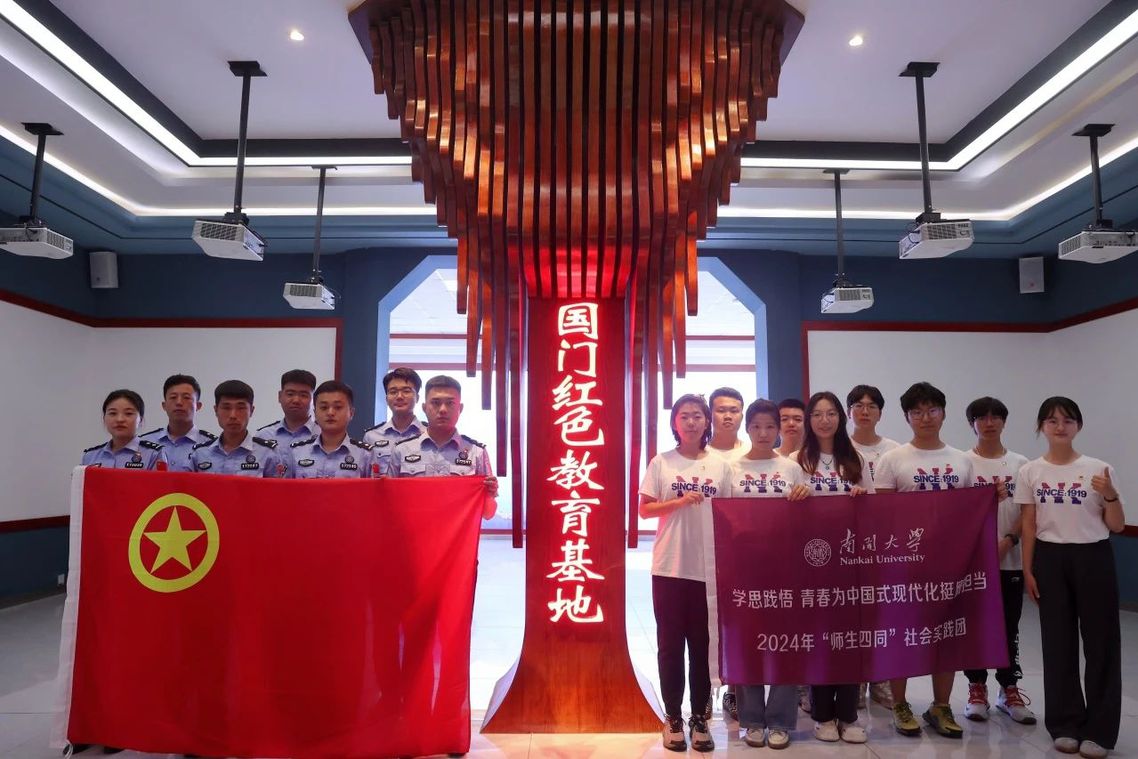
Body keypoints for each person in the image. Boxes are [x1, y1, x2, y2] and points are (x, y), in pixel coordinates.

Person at [1019, 397, 1125, 759]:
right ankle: (1064, 724)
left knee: (1101, 644)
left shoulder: (1099, 469)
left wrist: (1109, 495)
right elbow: (1029, 524)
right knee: (1057, 644)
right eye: (1051, 421)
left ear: (1078, 425)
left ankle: (1101, 730)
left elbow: (1116, 525)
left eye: (1067, 420)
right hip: (1050, 559)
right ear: (1041, 427)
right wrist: (1028, 570)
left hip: (1093, 556)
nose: (1060, 427)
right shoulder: (1031, 471)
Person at [873, 381, 974, 740]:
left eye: (932, 410)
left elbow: (970, 513)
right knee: (902, 635)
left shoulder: (961, 460)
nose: (925, 417)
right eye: (917, 412)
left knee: (946, 633)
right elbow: (882, 516)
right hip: (905, 563)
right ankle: (900, 704)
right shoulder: (893, 459)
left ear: (943, 414)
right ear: (907, 417)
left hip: (950, 564)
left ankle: (940, 705)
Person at [639, 394, 731, 753]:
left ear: (707, 422)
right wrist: (678, 502)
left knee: (703, 646)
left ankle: (700, 720)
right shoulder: (662, 462)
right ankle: (673, 717)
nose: (691, 422)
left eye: (697, 416)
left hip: (709, 569)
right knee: (670, 647)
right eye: (684, 416)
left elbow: (732, 513)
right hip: (670, 567)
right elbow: (644, 510)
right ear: (674, 423)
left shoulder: (720, 466)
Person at [727, 399, 808, 750]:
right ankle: (751, 719)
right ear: (747, 429)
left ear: (778, 430)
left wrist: (803, 497)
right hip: (743, 569)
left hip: (784, 568)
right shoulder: (732, 468)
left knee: (784, 644)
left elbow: (805, 519)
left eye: (770, 427)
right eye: (756, 426)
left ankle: (780, 720)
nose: (763, 433)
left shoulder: (791, 468)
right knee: (748, 644)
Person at [794, 391, 872, 744]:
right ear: (809, 420)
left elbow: (872, 511)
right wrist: (795, 499)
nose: (824, 420)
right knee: (820, 639)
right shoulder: (796, 461)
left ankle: (849, 715)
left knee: (849, 639)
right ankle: (823, 715)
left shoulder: (855, 459)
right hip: (811, 562)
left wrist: (861, 498)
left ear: (841, 418)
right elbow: (785, 514)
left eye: (831, 413)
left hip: (849, 561)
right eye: (817, 414)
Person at [962, 396, 1036, 725]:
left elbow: (1028, 512)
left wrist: (1008, 541)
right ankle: (976, 687)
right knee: (974, 625)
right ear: (972, 424)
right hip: (972, 563)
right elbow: (955, 513)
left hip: (1010, 560)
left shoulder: (1022, 464)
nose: (989, 423)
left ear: (1004, 422)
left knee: (1009, 626)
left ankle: (1009, 689)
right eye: (982, 417)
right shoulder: (962, 463)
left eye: (995, 417)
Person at [846, 384, 898, 710]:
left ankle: (880, 679)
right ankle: (856, 679)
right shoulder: (840, 448)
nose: (865, 411)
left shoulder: (895, 451)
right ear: (849, 411)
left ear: (880, 412)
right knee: (852, 614)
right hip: (847, 544)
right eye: (858, 405)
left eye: (872, 406)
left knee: (881, 614)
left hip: (885, 544)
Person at [386, 374, 498, 518]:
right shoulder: (401, 451)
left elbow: (488, 514)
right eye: (436, 403)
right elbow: (388, 504)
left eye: (450, 403)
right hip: (413, 531)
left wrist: (490, 494)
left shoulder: (476, 453)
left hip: (457, 532)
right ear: (424, 408)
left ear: (460, 408)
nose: (443, 409)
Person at [189, 380, 289, 477]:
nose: (233, 415)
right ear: (216, 411)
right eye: (226, 408)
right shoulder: (200, 453)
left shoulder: (268, 453)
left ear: (251, 411)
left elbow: (277, 488)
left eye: (241, 408)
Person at [287, 381, 378, 479]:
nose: (330, 413)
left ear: (351, 413)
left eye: (338, 407)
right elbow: (284, 487)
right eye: (324, 407)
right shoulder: (296, 452)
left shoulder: (365, 454)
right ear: (315, 413)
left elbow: (374, 488)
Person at [140, 374, 216, 472]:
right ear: (164, 405)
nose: (179, 402)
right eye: (173, 397)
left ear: (198, 405)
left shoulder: (213, 446)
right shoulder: (143, 443)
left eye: (186, 397)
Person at [82, 389, 168, 471]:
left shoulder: (154, 453)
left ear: (141, 420)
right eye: (113, 413)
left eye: (128, 413)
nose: (119, 419)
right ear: (104, 419)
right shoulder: (90, 456)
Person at [364, 367, 426, 469]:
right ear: (386, 399)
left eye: (406, 391)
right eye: (393, 392)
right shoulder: (371, 436)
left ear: (417, 398)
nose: (399, 396)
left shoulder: (428, 434)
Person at [255, 369, 319, 447]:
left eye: (303, 395)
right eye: (290, 394)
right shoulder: (263, 436)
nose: (296, 400)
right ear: (280, 396)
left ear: (314, 399)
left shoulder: (324, 434)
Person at [707, 387, 746, 460]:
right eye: (721, 411)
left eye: (734, 411)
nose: (728, 416)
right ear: (710, 415)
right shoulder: (698, 453)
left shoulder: (752, 452)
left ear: (742, 417)